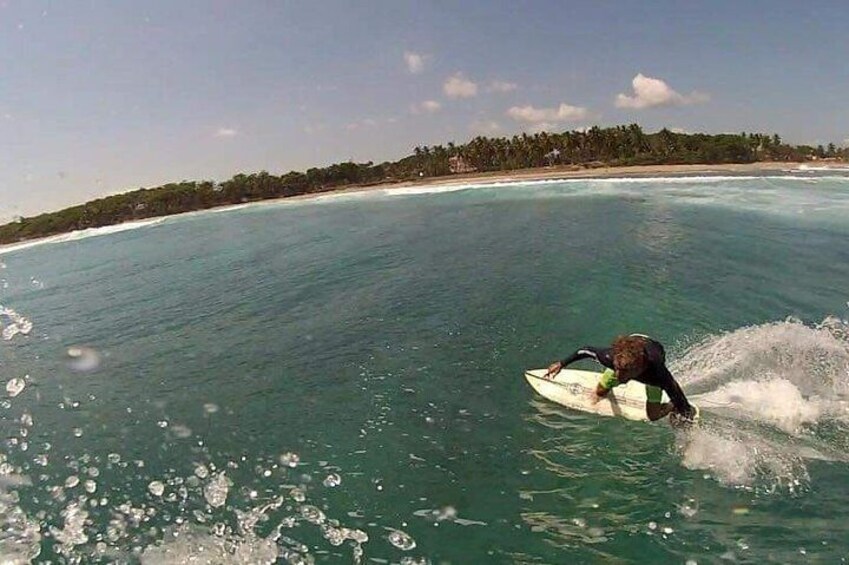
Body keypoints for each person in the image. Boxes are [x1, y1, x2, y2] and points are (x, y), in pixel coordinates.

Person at [545, 334, 697, 422]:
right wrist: (561, 363)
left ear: (639, 369)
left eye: (625, 374)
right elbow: (584, 350)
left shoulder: (657, 375)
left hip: (653, 351)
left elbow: (685, 406)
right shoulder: (609, 358)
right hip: (630, 347)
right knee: (600, 391)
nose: (619, 377)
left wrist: (683, 415)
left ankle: (670, 405)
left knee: (653, 416)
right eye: (617, 370)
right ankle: (607, 385)